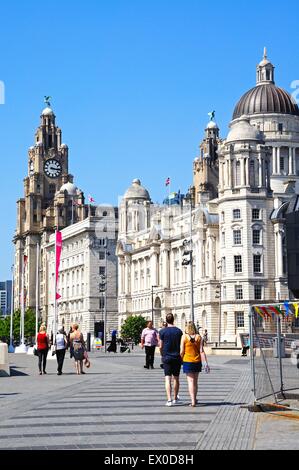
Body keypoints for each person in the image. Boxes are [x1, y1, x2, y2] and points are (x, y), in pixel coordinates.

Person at [180, 322, 209, 407]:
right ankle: (195, 399)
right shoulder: (199, 337)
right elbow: (201, 351)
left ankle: (192, 401)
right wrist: (206, 363)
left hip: (187, 361)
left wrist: (180, 359)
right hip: (197, 361)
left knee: (190, 381)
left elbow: (182, 351)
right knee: (195, 382)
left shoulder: (184, 337)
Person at [159, 314, 183, 407]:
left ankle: (169, 400)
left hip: (167, 357)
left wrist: (162, 355)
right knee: (176, 378)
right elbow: (181, 346)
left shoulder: (162, 331)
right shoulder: (179, 331)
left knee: (167, 378)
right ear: (173, 320)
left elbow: (160, 346)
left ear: (166, 320)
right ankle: (175, 398)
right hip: (177, 357)